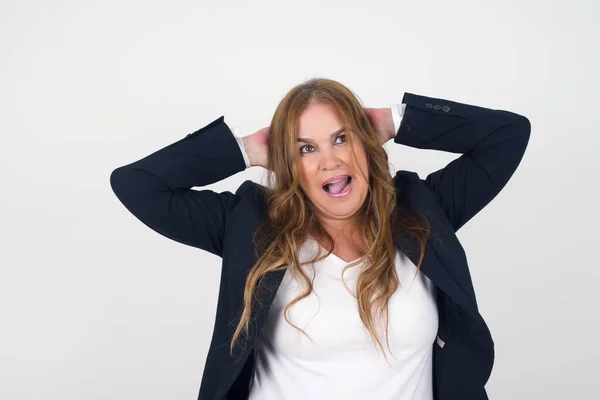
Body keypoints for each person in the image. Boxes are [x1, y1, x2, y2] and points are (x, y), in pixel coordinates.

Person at [110, 77, 531, 400]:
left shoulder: (422, 212)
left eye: (342, 138)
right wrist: (246, 150)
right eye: (305, 149)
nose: (330, 161)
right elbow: (137, 185)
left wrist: (394, 120)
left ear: (366, 143)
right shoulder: (251, 225)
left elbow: (508, 135)